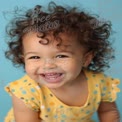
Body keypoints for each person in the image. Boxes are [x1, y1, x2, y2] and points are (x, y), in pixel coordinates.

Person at [4, 2, 120, 122]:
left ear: (86, 59)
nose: (48, 65)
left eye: (61, 56)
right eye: (35, 57)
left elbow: (108, 112)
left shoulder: (99, 83)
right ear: (24, 59)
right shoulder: (26, 92)